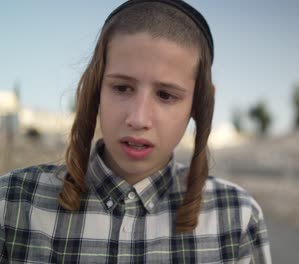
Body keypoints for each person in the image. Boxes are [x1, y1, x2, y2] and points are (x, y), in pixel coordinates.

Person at [0, 0, 272, 263]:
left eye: (165, 95)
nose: (138, 118)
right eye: (122, 88)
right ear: (96, 87)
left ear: (199, 103)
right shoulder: (12, 203)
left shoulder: (236, 218)